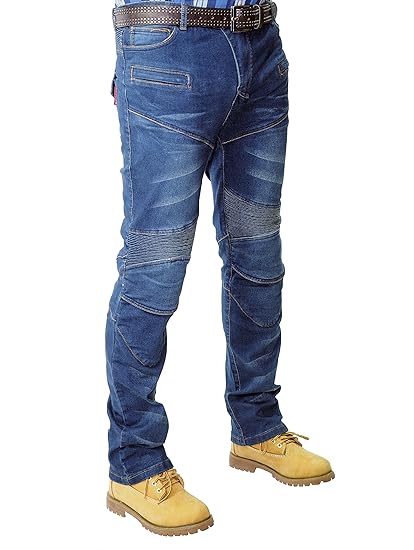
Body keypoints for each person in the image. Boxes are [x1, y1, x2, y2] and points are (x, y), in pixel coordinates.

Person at [105, 0, 334, 536]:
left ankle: (257, 426)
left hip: (261, 50)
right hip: (168, 51)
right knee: (154, 268)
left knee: (258, 257)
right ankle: (134, 463)